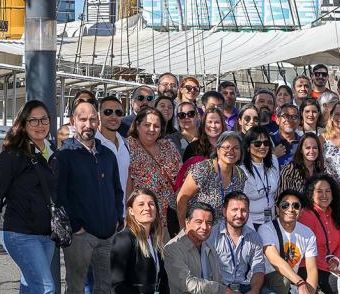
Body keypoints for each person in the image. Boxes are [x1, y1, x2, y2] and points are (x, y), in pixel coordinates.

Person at [0, 100, 64, 294]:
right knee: (45, 288)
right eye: (33, 120)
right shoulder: (13, 154)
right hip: (19, 233)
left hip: (45, 234)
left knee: (29, 291)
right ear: (23, 124)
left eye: (44, 119)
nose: (40, 125)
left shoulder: (50, 152)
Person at [57, 100, 124, 294]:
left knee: (104, 286)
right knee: (75, 287)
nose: (89, 124)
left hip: (108, 232)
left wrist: (117, 219)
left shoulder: (107, 154)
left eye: (92, 119)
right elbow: (60, 196)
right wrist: (76, 227)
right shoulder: (65, 155)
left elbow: (117, 190)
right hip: (80, 236)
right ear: (73, 122)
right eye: (82, 119)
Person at [258, 190, 334, 294]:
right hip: (270, 281)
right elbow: (275, 260)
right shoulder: (266, 229)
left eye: (296, 206)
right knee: (283, 280)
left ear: (300, 211)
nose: (290, 209)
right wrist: (300, 283)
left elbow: (312, 269)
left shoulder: (307, 233)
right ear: (277, 209)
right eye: (285, 205)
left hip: (293, 283)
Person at [207, 192, 280, 294]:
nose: (239, 215)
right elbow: (207, 273)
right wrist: (227, 293)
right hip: (220, 289)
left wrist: (254, 292)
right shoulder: (212, 235)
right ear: (224, 211)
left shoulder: (254, 237)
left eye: (244, 210)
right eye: (234, 210)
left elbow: (258, 269)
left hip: (243, 286)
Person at [126, 107, 182, 237]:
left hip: (169, 220)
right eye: (147, 125)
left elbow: (180, 179)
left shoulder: (168, 147)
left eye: (156, 126)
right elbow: (127, 183)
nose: (152, 129)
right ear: (137, 125)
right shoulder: (128, 147)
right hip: (141, 221)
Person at [176, 131, 246, 228]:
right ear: (218, 150)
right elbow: (182, 200)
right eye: (226, 147)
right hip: (193, 226)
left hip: (219, 230)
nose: (231, 151)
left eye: (236, 148)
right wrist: (183, 230)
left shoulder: (240, 175)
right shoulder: (203, 169)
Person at [298, 175, 340, 294]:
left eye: (328, 191)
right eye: (319, 191)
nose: (324, 195)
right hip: (309, 268)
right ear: (311, 194)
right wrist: (330, 267)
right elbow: (305, 251)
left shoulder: (335, 214)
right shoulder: (306, 215)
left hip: (328, 268)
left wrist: (336, 262)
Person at [241, 126, 280, 228]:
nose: (262, 147)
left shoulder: (273, 160)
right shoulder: (241, 169)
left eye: (266, 143)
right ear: (248, 147)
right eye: (257, 144)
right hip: (250, 223)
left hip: (270, 219)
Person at [96, 96, 131, 207]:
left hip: (125, 215)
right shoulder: (91, 145)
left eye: (118, 113)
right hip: (101, 214)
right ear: (98, 115)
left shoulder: (126, 144)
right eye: (108, 112)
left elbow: (128, 180)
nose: (113, 117)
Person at [270, 103, 302, 167]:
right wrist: (272, 156)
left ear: (299, 121)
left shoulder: (303, 142)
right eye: (285, 116)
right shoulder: (268, 141)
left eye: (294, 117)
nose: (289, 120)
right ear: (277, 120)